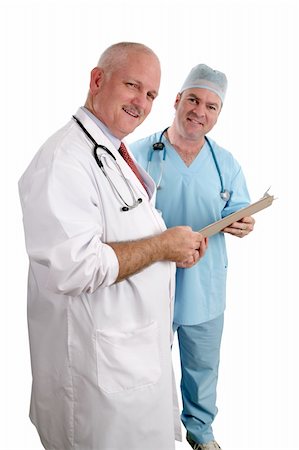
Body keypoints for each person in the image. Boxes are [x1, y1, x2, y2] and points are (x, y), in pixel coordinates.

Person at [18, 43, 208, 450]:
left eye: (152, 95)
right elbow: (77, 267)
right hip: (96, 387)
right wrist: (161, 247)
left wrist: (175, 251)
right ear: (97, 80)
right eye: (132, 85)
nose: (142, 102)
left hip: (132, 369)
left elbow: (129, 235)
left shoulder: (112, 151)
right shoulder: (63, 160)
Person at [130, 63, 255, 450]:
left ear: (218, 114)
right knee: (145, 368)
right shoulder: (136, 154)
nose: (200, 111)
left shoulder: (226, 163)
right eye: (194, 100)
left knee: (202, 369)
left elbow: (241, 209)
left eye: (211, 106)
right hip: (150, 281)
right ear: (177, 100)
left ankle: (200, 434)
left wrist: (244, 223)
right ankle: (148, 435)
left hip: (204, 285)